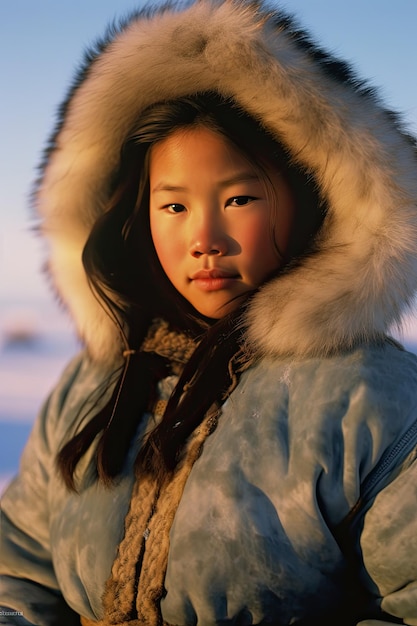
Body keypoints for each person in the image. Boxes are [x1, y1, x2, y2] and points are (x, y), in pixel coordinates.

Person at [1, 1, 417, 624]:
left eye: (240, 197)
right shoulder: (94, 384)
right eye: (174, 206)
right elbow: (15, 575)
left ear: (315, 203)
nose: (206, 239)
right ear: (136, 217)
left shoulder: (371, 395)